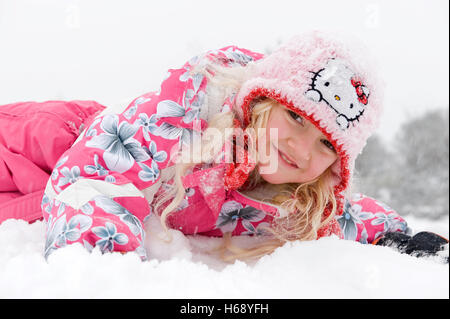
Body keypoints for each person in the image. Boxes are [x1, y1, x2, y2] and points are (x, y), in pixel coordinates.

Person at [0, 31, 447, 262]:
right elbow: (95, 177)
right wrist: (101, 271)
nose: (302, 149)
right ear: (260, 99)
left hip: (46, 195)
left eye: (327, 144)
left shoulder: (299, 194)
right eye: (296, 116)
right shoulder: (183, 111)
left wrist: (402, 236)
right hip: (51, 141)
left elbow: (346, 214)